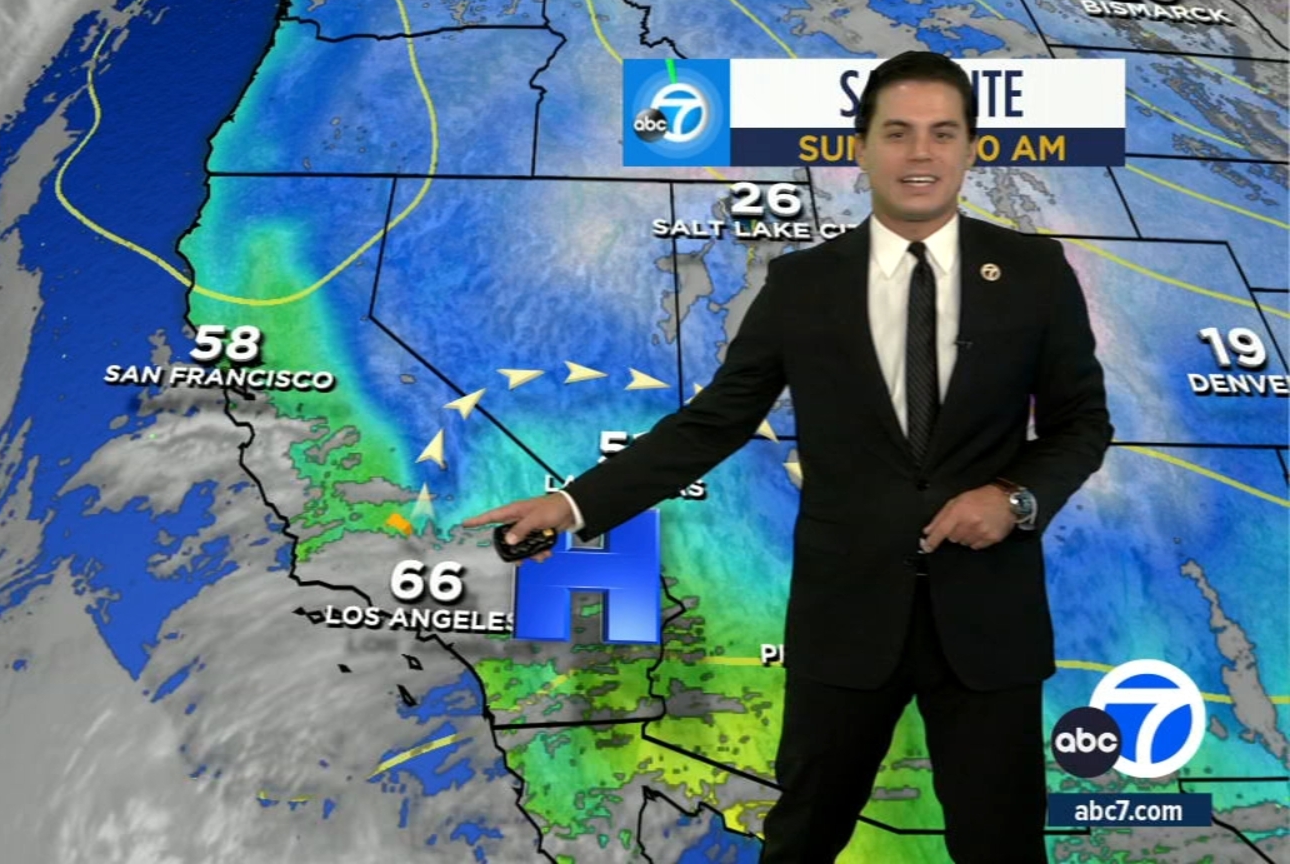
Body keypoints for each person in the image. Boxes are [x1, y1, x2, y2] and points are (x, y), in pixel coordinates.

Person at [464, 50, 1113, 862]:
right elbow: (715, 423)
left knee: (1003, 848)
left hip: (990, 625)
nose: (920, 154)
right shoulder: (803, 283)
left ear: (972, 148)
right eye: (898, 133)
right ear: (860, 148)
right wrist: (572, 505)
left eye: (943, 133)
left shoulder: (1034, 273)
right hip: (846, 620)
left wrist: (1014, 499)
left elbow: (1081, 424)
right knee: (802, 840)